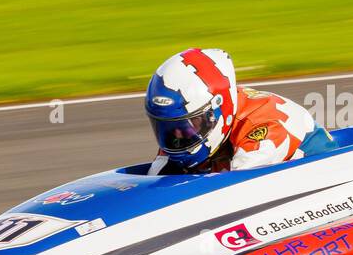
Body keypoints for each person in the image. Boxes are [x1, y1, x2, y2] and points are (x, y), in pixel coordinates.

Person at [142, 47, 332, 173]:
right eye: (166, 128)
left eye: (189, 125)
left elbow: (229, 193)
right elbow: (157, 180)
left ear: (216, 112)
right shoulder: (182, 133)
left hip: (324, 201)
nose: (178, 136)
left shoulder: (264, 128)